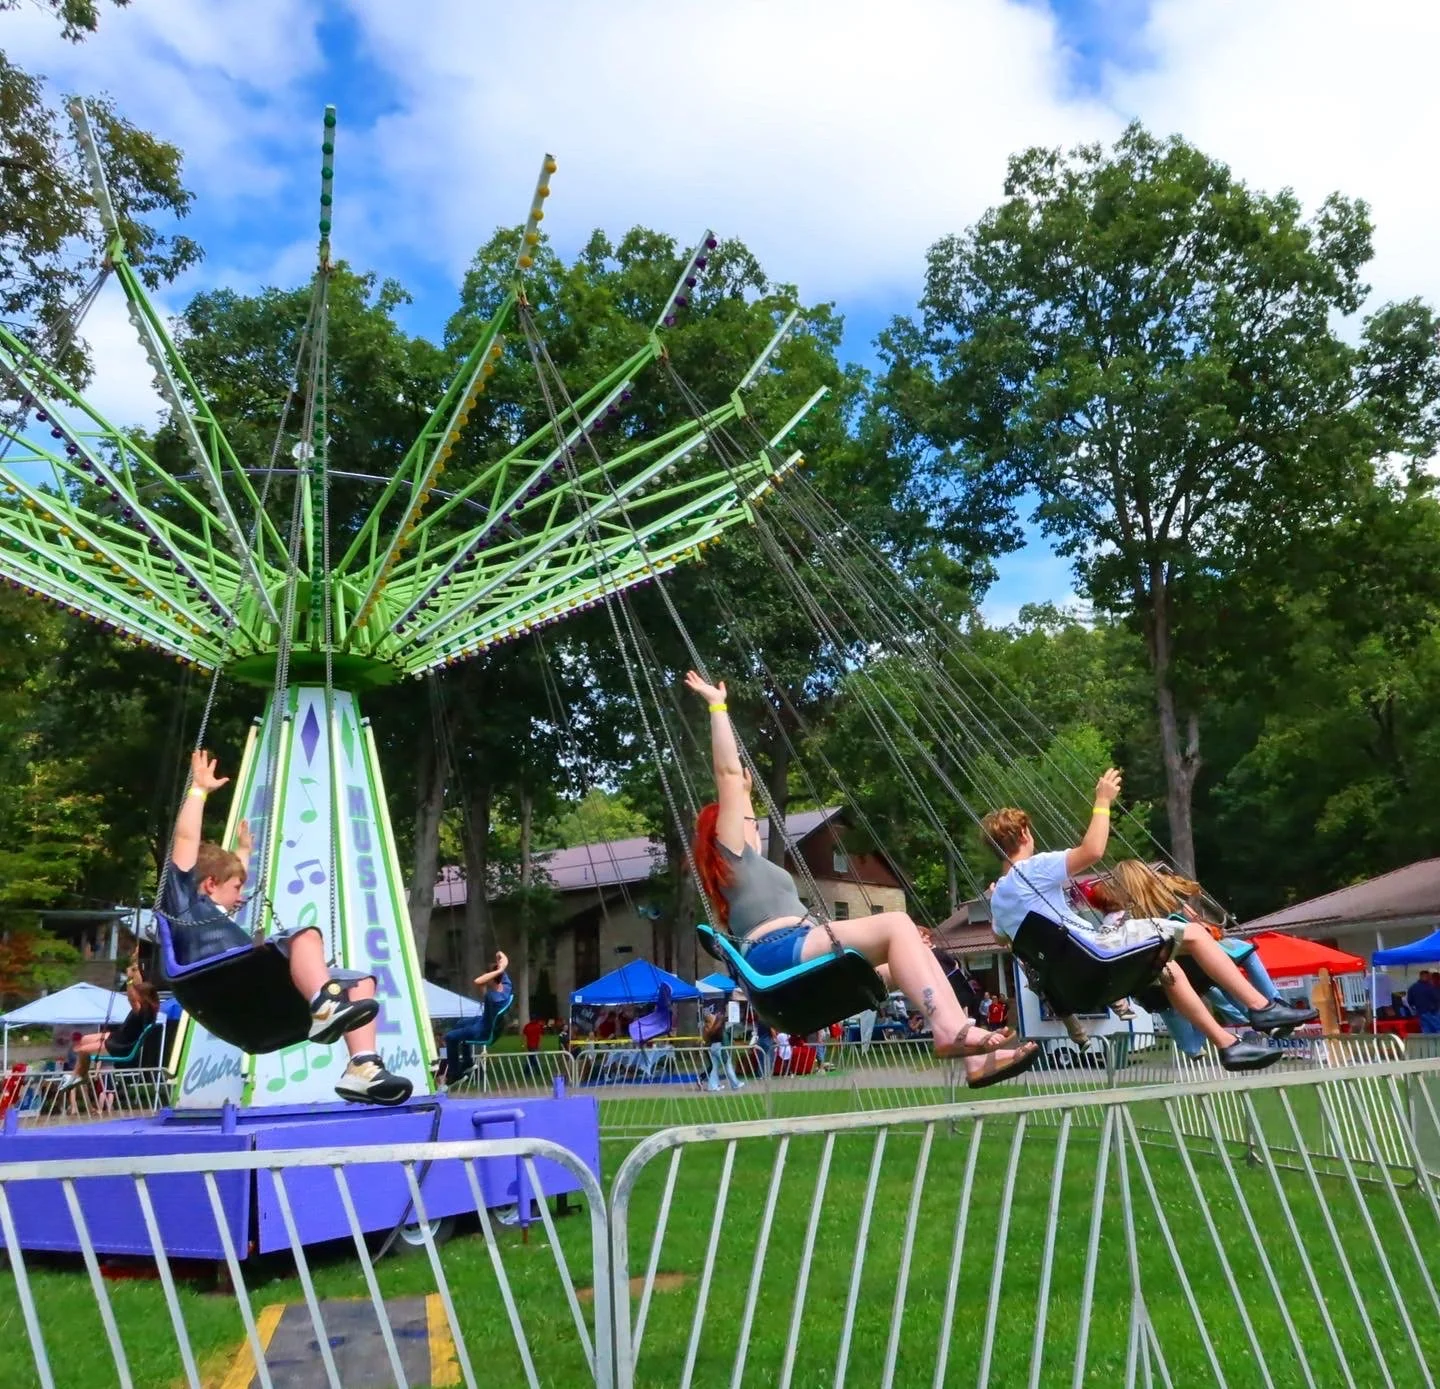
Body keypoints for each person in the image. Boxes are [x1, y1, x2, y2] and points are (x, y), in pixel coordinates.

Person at [687, 671, 1038, 1088]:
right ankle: (949, 1032)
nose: (750, 820)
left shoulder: (753, 865)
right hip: (778, 956)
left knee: (924, 957)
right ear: (720, 835)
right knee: (895, 924)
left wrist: (744, 793)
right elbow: (727, 774)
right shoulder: (731, 860)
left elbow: (739, 793)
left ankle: (975, 1061)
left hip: (803, 963)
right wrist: (717, 706)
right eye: (740, 816)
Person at [981, 773, 1315, 1072]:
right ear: (1024, 833)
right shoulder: (1033, 868)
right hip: (1099, 954)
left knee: (1167, 969)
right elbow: (1093, 850)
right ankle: (1262, 1007)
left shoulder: (998, 899)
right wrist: (1102, 800)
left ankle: (1228, 1046)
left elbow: (1002, 941)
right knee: (1196, 934)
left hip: (1076, 983)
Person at [162, 750, 410, 1105]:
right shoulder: (185, 903)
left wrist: (243, 854)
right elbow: (186, 842)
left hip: (256, 1001)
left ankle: (362, 1068)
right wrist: (198, 792)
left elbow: (229, 878)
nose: (241, 898)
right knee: (303, 936)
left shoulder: (215, 914)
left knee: (360, 984)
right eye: (236, 889)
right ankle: (324, 1005)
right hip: (218, 986)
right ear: (208, 884)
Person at [60, 969, 162, 1097]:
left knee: (83, 1050)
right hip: (117, 1036)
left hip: (121, 1045)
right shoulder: (147, 1007)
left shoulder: (144, 1010)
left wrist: (129, 981)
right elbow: (138, 985)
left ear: (143, 996)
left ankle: (79, 1075)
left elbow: (131, 996)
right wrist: (134, 967)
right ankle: (79, 1074)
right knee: (83, 1040)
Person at [438, 951, 513, 1087]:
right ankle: (467, 1062)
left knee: (449, 1037)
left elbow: (478, 982)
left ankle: (455, 1074)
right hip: (483, 1020)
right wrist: (500, 965)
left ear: (491, 978)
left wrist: (498, 970)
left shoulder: (495, 998)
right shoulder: (506, 986)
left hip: (484, 1030)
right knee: (460, 1023)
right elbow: (500, 954)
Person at [703, 1004, 745, 1091]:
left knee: (714, 1067)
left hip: (713, 1047)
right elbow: (724, 1041)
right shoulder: (720, 1029)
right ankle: (735, 1083)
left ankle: (712, 1086)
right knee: (728, 1065)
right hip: (720, 1047)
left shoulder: (710, 1029)